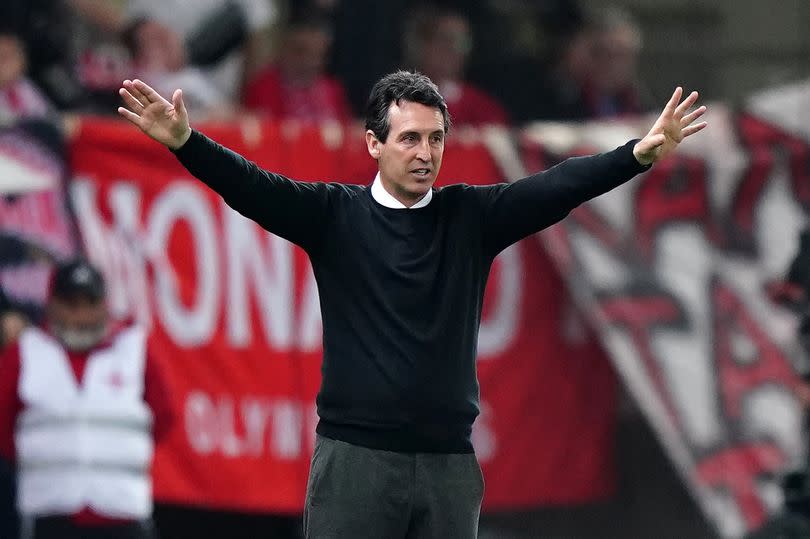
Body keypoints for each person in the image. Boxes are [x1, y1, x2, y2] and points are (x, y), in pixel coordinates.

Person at [117, 71, 707, 538]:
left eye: (435, 138)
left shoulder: (470, 217)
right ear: (374, 143)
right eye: (409, 138)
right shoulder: (334, 215)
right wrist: (186, 143)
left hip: (448, 466)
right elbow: (250, 185)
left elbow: (556, 186)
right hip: (356, 463)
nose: (425, 153)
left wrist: (635, 155)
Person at [0, 258, 174, 539]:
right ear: (52, 305)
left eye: (89, 304)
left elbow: (164, 418)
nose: (80, 315)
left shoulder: (134, 349)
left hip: (121, 515)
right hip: (51, 517)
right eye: (71, 305)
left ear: (103, 305)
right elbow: (4, 430)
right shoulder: (25, 353)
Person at [402, 5, 508, 127]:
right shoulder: (400, 100)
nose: (452, 49)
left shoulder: (481, 105)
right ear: (424, 45)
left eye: (461, 42)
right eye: (444, 39)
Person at [242, 15, 352, 124]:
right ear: (283, 48)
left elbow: (347, 132)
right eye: (300, 51)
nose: (308, 61)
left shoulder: (333, 91)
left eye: (317, 55)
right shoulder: (263, 87)